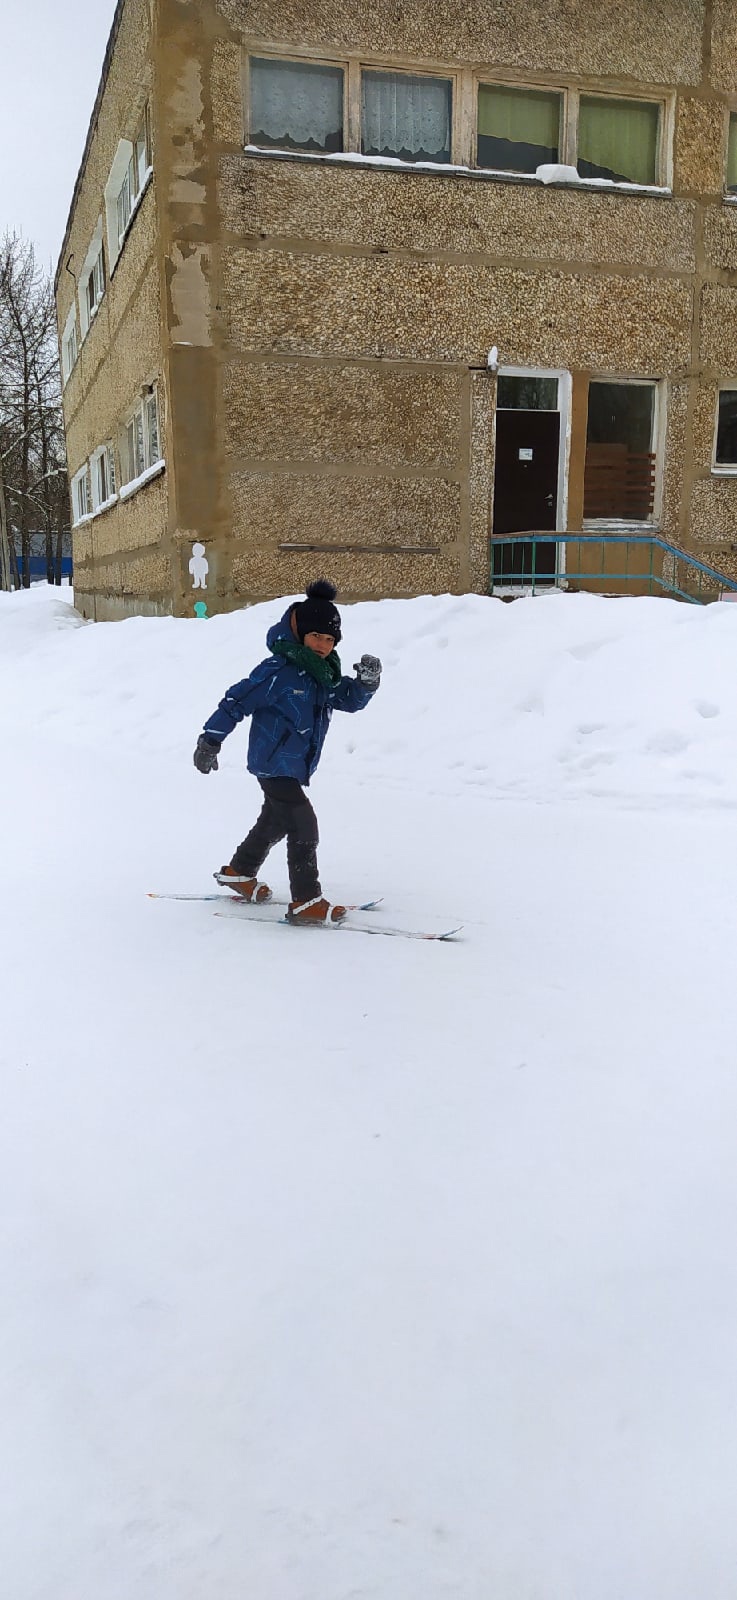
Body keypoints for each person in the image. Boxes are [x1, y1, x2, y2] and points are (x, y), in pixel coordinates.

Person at [193, 580, 381, 923]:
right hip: (272, 761)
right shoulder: (278, 671)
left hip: (295, 764)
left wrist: (367, 686)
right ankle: (307, 900)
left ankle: (239, 871)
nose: (322, 644)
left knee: (276, 820)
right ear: (299, 633)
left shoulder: (324, 674)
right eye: (316, 636)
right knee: (302, 822)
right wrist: (210, 740)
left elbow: (348, 700)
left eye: (329, 639)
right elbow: (237, 701)